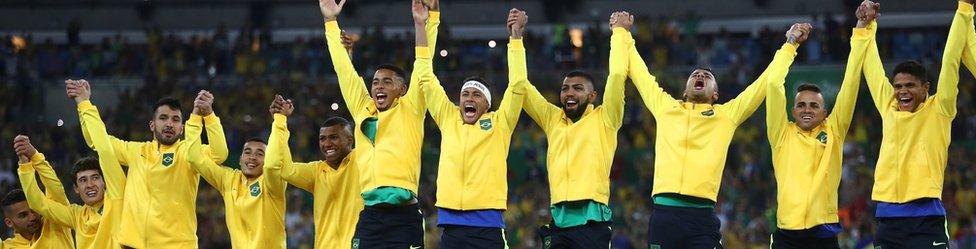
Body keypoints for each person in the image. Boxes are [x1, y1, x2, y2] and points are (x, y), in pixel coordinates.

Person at [628, 18, 809, 248]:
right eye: (695, 74)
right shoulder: (665, 108)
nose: (700, 76)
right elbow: (640, 74)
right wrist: (623, 33)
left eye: (707, 76)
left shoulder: (726, 115)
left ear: (716, 94)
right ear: (685, 90)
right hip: (664, 216)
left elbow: (764, 83)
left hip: (701, 218)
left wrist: (790, 44)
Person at [318, 0, 439, 247]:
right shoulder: (363, 109)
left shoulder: (412, 108)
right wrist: (330, 22)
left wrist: (425, 23)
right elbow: (344, 71)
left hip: (404, 217)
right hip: (371, 217)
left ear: (402, 89)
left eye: (387, 82)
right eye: (375, 82)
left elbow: (424, 64)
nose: (378, 86)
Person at [861, 0, 974, 247]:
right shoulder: (888, 108)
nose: (902, 91)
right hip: (887, 219)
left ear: (926, 89)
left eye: (910, 85)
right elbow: (872, 69)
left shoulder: (940, 109)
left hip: (927, 218)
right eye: (898, 86)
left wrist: (964, 9)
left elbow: (951, 60)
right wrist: (866, 27)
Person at [72, 79, 229, 248]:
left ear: (182, 128)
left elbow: (219, 154)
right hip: (133, 245)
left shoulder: (188, 152)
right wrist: (84, 104)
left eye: (175, 120)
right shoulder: (136, 151)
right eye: (163, 118)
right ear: (152, 125)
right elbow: (98, 141)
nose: (169, 124)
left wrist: (209, 116)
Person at [521, 10, 632, 249]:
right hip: (559, 223)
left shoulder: (606, 118)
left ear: (592, 96)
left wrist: (619, 34)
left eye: (577, 88)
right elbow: (522, 86)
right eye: (565, 88)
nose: (569, 93)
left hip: (592, 223)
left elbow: (616, 76)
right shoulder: (553, 118)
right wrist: (515, 39)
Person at [420, 8, 528, 248]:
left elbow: (518, 84)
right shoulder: (449, 118)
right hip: (450, 226)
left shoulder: (500, 123)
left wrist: (516, 38)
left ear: (487, 104)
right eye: (465, 94)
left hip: (487, 227)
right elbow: (426, 78)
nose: (469, 98)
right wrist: (425, 24)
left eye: (476, 94)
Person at [765, 6, 872, 247]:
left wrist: (861, 31)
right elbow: (773, 83)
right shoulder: (781, 134)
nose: (807, 109)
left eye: (814, 106)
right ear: (793, 111)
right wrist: (791, 44)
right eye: (801, 105)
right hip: (786, 235)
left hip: (823, 234)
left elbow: (851, 82)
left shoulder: (834, 130)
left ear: (824, 113)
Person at [184, 101, 287, 248]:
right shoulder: (229, 179)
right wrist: (203, 116)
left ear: (267, 159)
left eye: (260, 154)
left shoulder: (273, 183)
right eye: (247, 152)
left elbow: (272, 165)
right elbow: (195, 158)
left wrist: (279, 120)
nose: (252, 157)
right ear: (240, 160)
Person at [265, 95, 363, 249]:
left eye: (334, 137)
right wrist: (279, 120)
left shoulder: (362, 159)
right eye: (322, 139)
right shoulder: (316, 172)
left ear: (350, 140)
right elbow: (280, 167)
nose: (327, 143)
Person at [3, 138, 74, 249]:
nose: (32, 217)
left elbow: (55, 189)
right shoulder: (5, 247)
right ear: (9, 222)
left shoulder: (55, 222)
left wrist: (33, 157)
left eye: (34, 211)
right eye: (23, 215)